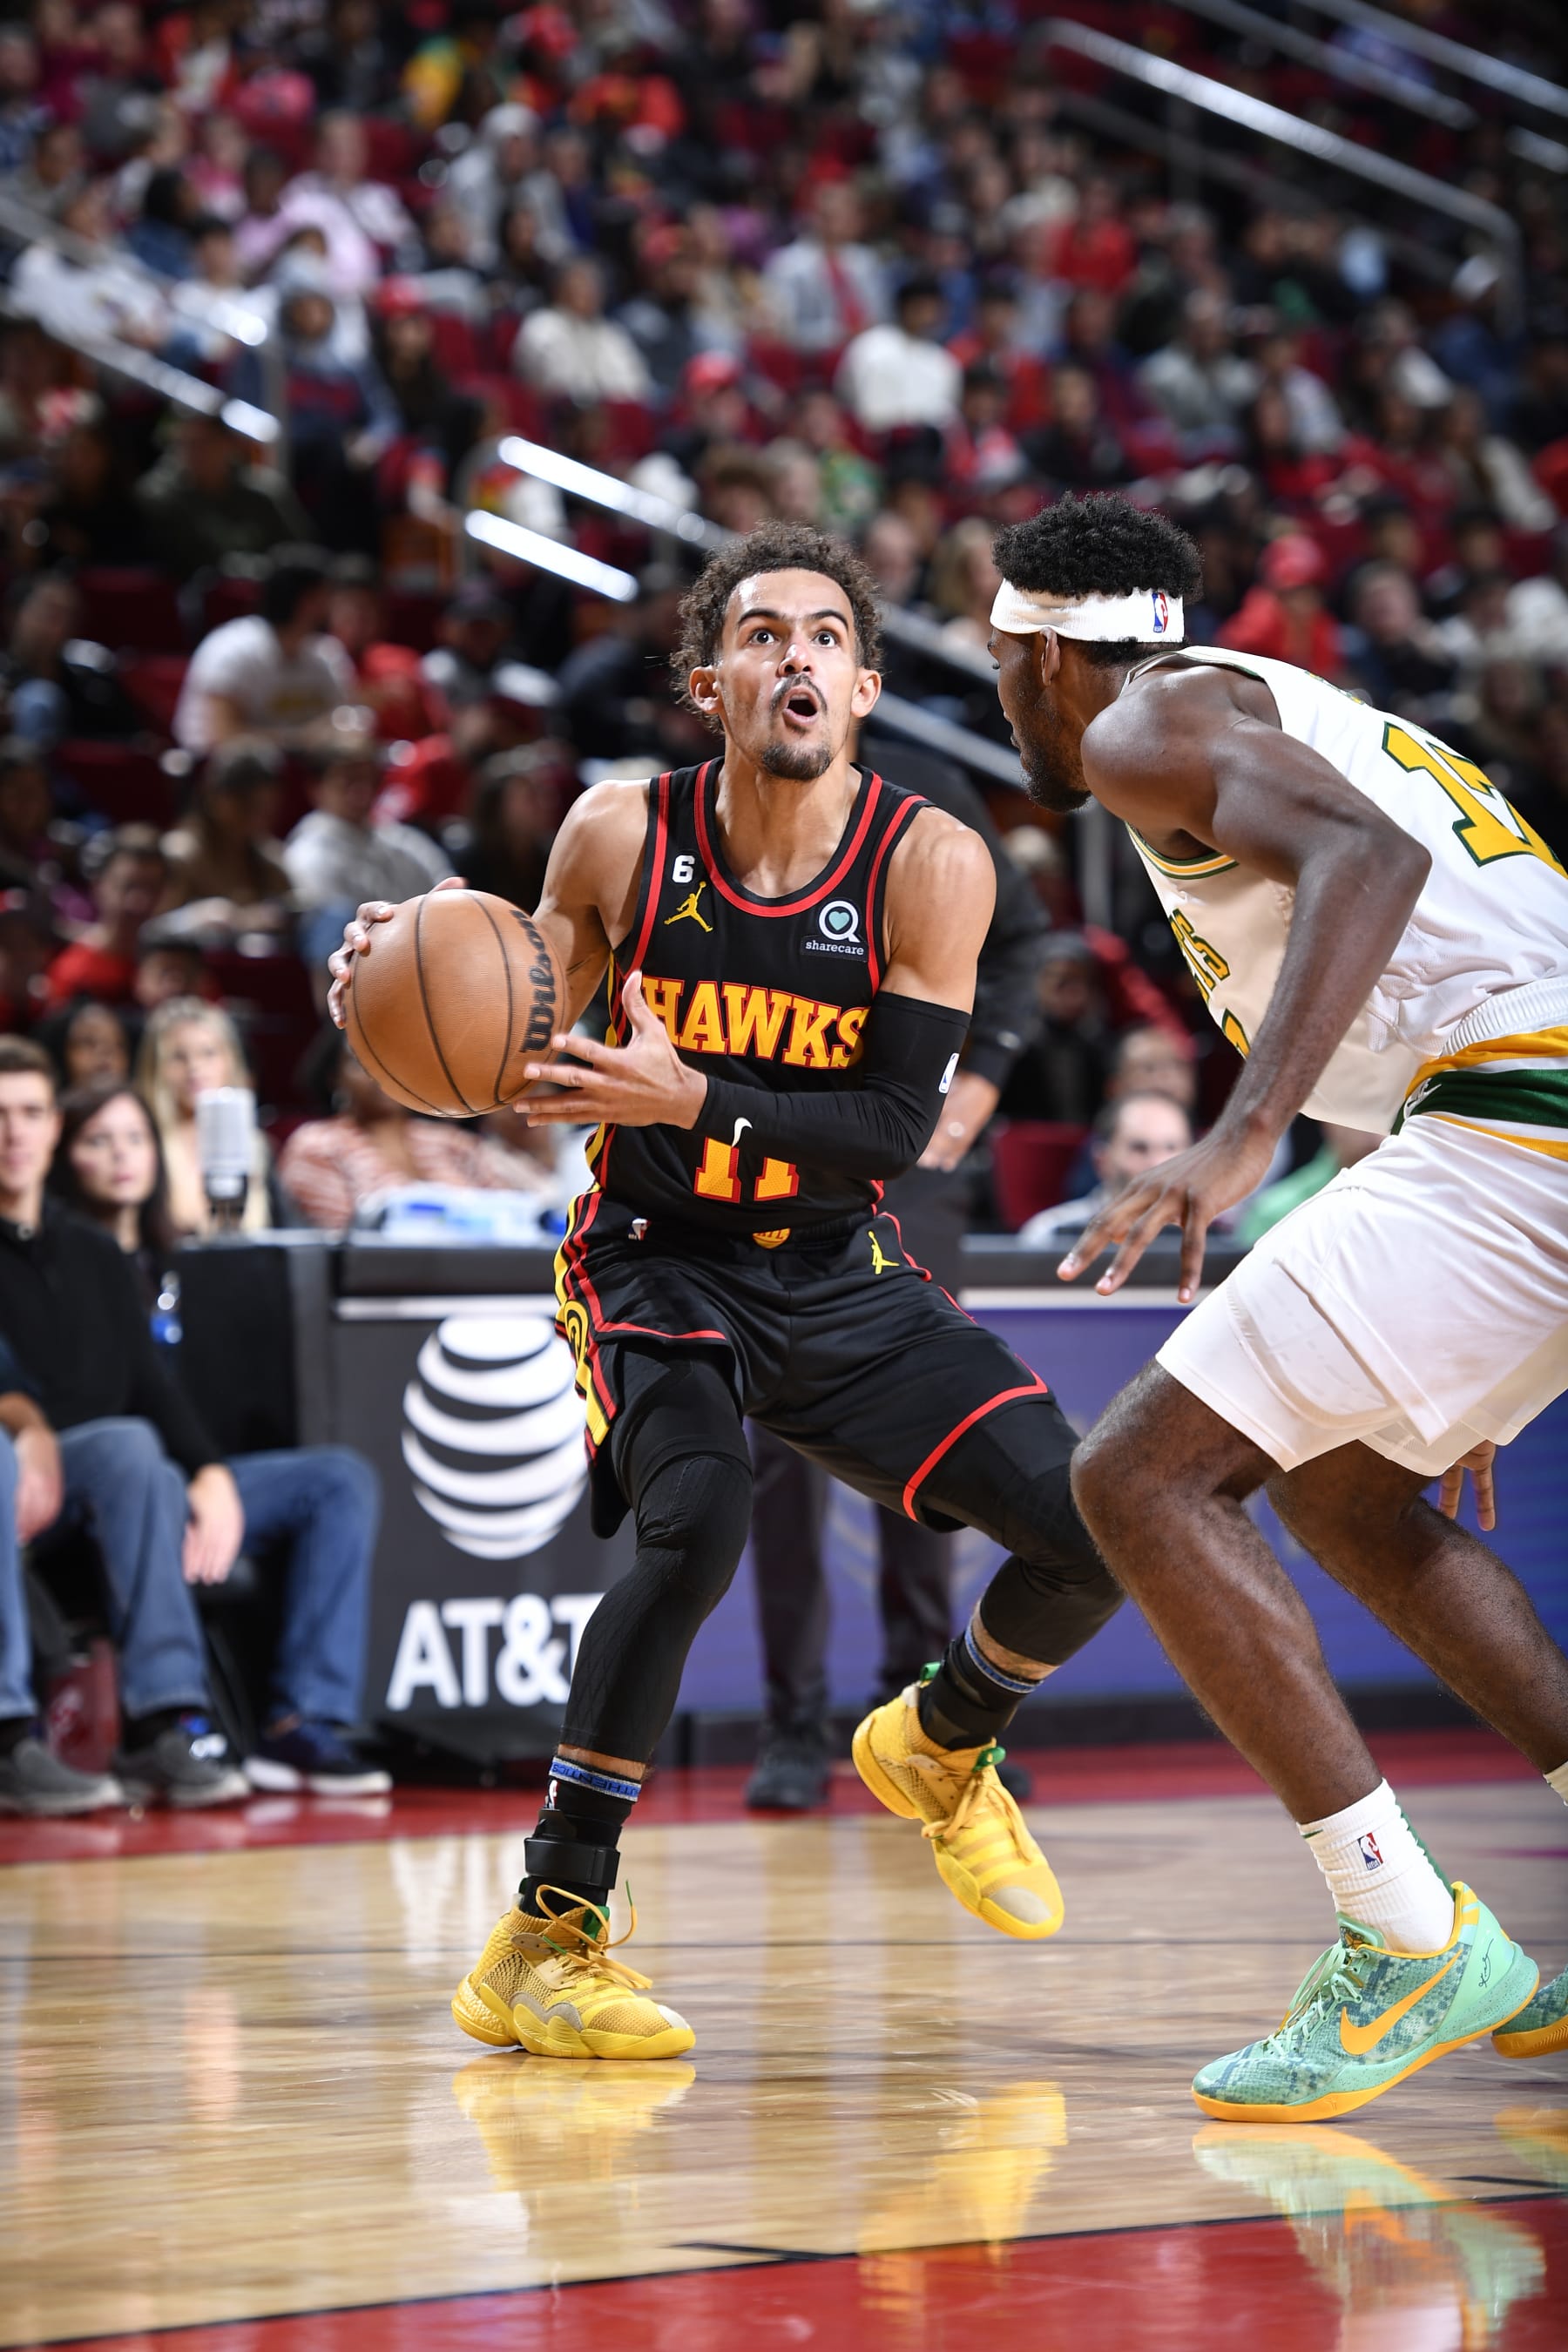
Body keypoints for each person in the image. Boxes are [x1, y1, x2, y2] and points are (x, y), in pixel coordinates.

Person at [330, 521, 1124, 2060]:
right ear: (712, 682)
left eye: (825, 637)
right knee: (693, 1532)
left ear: (871, 685)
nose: (796, 659)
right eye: (762, 636)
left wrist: (697, 1098)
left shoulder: (931, 862)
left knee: (1096, 1529)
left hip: (838, 1271)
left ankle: (942, 1741)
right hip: (654, 1260)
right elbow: (520, 1053)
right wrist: (395, 967)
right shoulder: (620, 834)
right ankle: (546, 1940)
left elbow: (895, 1132)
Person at [986, 490, 1568, 2121]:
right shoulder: (1256, 698)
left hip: (1521, 1114)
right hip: (1518, 1118)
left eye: (999, 659)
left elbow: (1367, 863)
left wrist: (1245, 1136)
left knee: (1136, 1479)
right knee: (1348, 1488)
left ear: (1040, 654)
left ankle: (1405, 1940)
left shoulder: (1145, 727)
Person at [49, 1077, 389, 1796]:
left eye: (135, 1138)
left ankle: (302, 1723)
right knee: (147, 1464)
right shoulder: (62, 1262)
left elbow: (186, 1403)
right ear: (64, 1154)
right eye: (97, 1140)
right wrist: (198, 1476)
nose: (121, 1157)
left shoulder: (188, 1260)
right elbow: (108, 1406)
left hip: (186, 1470)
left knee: (338, 1479)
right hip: (105, 1481)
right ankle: (174, 1725)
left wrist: (211, 1478)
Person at [0, 1037, 248, 1808]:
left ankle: (161, 1722)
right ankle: (9, 1736)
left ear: (52, 1131)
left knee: (136, 1446)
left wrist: (208, 1471)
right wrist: (25, 1423)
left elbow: (147, 1386)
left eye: (32, 1112)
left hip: (72, 1479)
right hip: (12, 1463)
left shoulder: (95, 1251)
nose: (14, 1132)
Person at [279, 1027, 552, 1229]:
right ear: (334, 1078)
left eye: (393, 1062)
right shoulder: (317, 1144)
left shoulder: (453, 1143)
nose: (381, 1075)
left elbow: (517, 1219)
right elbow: (339, 1244)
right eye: (362, 1063)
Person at [284, 735, 451, 969]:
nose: (361, 790)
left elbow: (449, 898)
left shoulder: (406, 841)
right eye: (347, 780)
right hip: (366, 974)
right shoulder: (308, 853)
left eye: (367, 778)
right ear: (317, 788)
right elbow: (338, 938)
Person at [172, 547, 355, 754]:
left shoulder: (327, 654)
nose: (334, 608)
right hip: (218, 776)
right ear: (307, 602)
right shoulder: (233, 650)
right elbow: (222, 738)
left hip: (299, 774)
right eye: (328, 597)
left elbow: (345, 724)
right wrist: (301, 739)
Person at [136, 998, 276, 1237]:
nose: (195, 1068)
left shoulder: (257, 1146)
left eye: (208, 1053)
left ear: (229, 1060)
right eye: (179, 1057)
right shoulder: (143, 1142)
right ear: (157, 1066)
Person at [1018, 1092, 1193, 1250]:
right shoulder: (1051, 1234)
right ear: (1102, 1160)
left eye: (1171, 1148)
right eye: (1139, 1148)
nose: (1157, 1162)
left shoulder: (1218, 1232)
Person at [162, 739, 294, 928]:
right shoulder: (180, 854)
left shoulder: (269, 858)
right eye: (246, 805)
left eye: (264, 808)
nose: (257, 818)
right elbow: (156, 927)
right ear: (214, 796)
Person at [44, 827, 167, 1011]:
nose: (139, 901)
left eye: (151, 888)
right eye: (128, 886)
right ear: (98, 886)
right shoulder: (73, 972)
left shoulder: (173, 968)